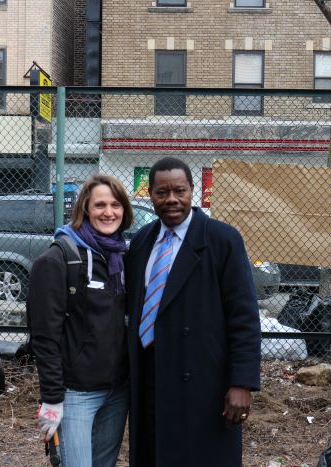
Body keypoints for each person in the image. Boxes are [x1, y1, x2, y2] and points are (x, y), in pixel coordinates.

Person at [126, 157, 261, 467]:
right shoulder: (142, 242)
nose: (171, 199)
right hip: (151, 374)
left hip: (204, 380)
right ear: (151, 196)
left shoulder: (222, 239)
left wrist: (242, 383)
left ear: (192, 192)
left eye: (179, 191)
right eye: (162, 192)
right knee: (154, 454)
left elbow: (244, 317)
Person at [29, 174, 133, 467]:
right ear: (85, 208)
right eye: (100, 204)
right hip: (76, 394)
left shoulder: (122, 257)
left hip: (117, 390)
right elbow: (44, 337)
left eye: (116, 204)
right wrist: (51, 399)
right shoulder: (56, 260)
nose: (108, 212)